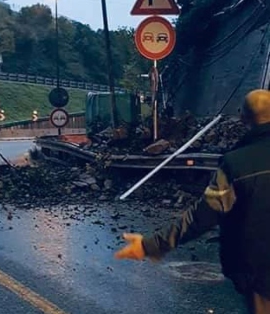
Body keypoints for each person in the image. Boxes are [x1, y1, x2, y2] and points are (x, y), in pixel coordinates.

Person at [115, 89, 270, 314]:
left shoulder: (237, 164)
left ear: (244, 118)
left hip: (261, 274)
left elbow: (203, 216)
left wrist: (152, 245)